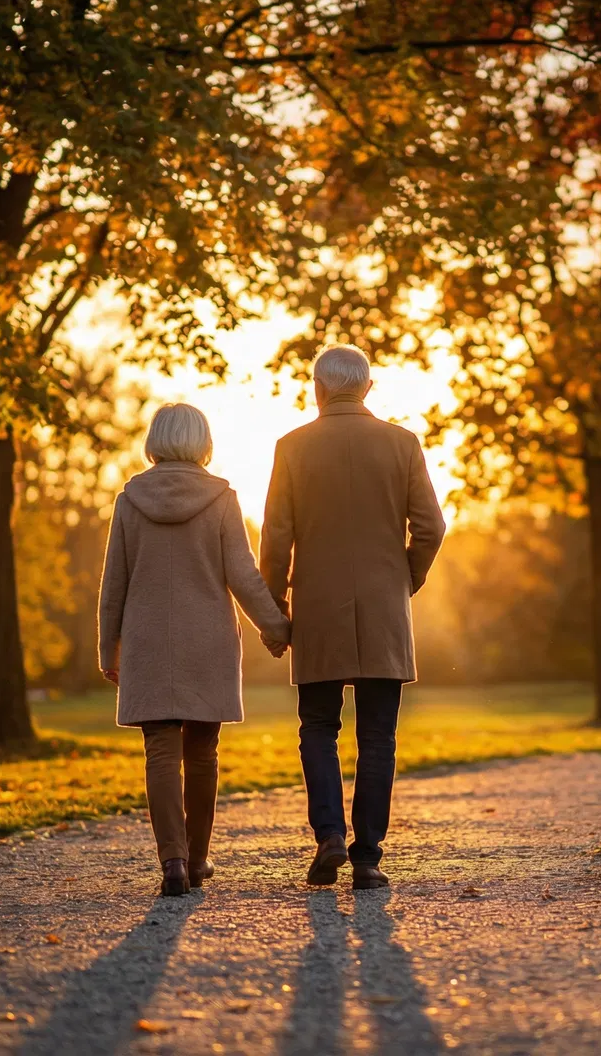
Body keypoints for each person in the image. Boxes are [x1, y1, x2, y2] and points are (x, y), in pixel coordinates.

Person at [261, 345, 445, 890]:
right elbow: (431, 527)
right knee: (379, 737)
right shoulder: (402, 443)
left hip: (318, 607)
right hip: (384, 607)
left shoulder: (291, 447)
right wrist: (404, 580)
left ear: (317, 389)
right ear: (368, 388)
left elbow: (275, 539)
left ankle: (329, 837)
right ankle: (367, 857)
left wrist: (276, 609)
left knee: (317, 726)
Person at [98, 402, 291, 896]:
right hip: (206, 642)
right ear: (202, 441)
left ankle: (174, 865)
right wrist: (279, 627)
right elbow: (243, 577)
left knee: (160, 752)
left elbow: (113, 585)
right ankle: (199, 857)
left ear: (155, 440)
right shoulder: (221, 498)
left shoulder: (128, 500)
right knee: (202, 752)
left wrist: (108, 648)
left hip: (146, 642)